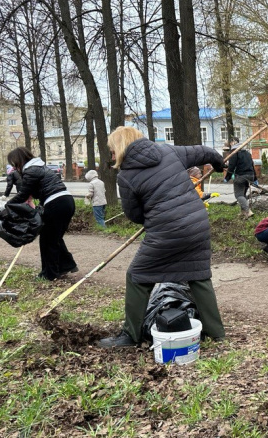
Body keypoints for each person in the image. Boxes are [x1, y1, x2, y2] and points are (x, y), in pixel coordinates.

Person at [97, 126, 227, 348]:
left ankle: (130, 335)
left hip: (166, 231)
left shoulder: (126, 176)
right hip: (197, 225)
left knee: (137, 275)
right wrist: (218, 165)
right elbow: (207, 152)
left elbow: (134, 215)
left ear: (119, 148)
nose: (111, 155)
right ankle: (217, 334)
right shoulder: (169, 151)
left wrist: (152, 212)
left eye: (111, 151)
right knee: (198, 274)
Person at [6, 147, 77, 281]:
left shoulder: (31, 170)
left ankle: (49, 274)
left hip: (56, 203)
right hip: (65, 201)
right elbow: (34, 191)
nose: (15, 168)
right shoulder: (38, 166)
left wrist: (6, 206)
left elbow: (23, 194)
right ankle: (65, 265)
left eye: (14, 164)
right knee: (54, 238)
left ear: (19, 160)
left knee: (47, 240)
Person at [224, 143, 257, 218]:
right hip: (250, 176)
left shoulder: (234, 153)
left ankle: (248, 211)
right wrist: (255, 178)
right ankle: (243, 212)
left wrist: (227, 177)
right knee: (243, 195)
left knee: (238, 195)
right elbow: (252, 165)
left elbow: (231, 166)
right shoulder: (248, 154)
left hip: (241, 176)